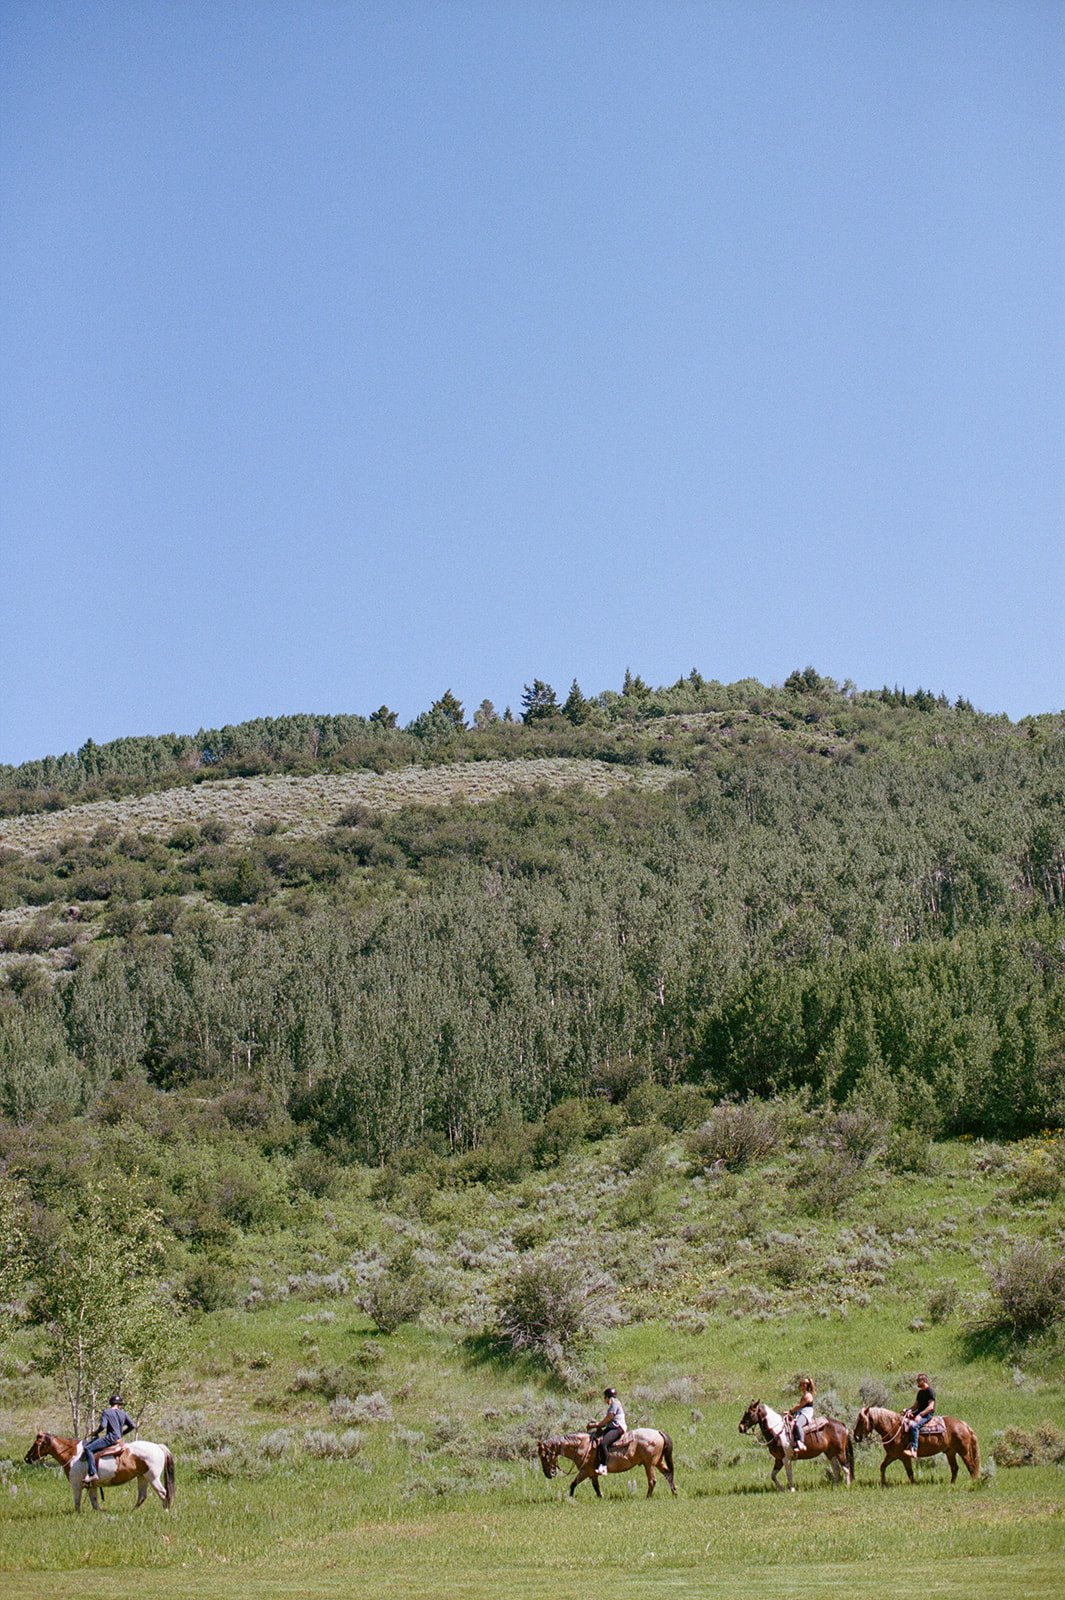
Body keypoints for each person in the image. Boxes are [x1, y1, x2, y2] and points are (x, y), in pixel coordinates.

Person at [82, 1392, 136, 1483]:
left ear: (111, 1403)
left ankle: (92, 1473)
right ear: (119, 1405)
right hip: (119, 1439)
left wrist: (96, 1432)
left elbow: (103, 1426)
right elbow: (132, 1426)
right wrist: (122, 1433)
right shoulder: (123, 1413)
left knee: (88, 1448)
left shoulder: (106, 1412)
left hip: (110, 1438)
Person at [591, 1386, 627, 1475]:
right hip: (612, 1427)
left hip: (617, 1427)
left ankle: (604, 1466)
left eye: (605, 1398)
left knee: (603, 1443)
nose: (605, 1400)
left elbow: (609, 1417)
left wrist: (598, 1424)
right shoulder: (615, 1403)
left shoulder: (614, 1404)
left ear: (608, 1397)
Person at [902, 1373, 936, 1458]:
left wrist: (920, 1415)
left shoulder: (930, 1391)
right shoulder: (920, 1392)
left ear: (924, 1381)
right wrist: (908, 1410)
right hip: (919, 1412)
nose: (917, 1383)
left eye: (918, 1381)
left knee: (914, 1426)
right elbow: (916, 1405)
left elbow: (931, 1407)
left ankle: (914, 1449)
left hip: (927, 1414)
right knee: (903, 1420)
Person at [787, 1376, 816, 1454]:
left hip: (806, 1413)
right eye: (801, 1384)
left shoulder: (808, 1396)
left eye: (804, 1384)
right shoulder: (805, 1395)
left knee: (798, 1424)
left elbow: (800, 1405)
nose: (802, 1386)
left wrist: (790, 1411)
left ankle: (801, 1443)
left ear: (807, 1386)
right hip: (801, 1412)